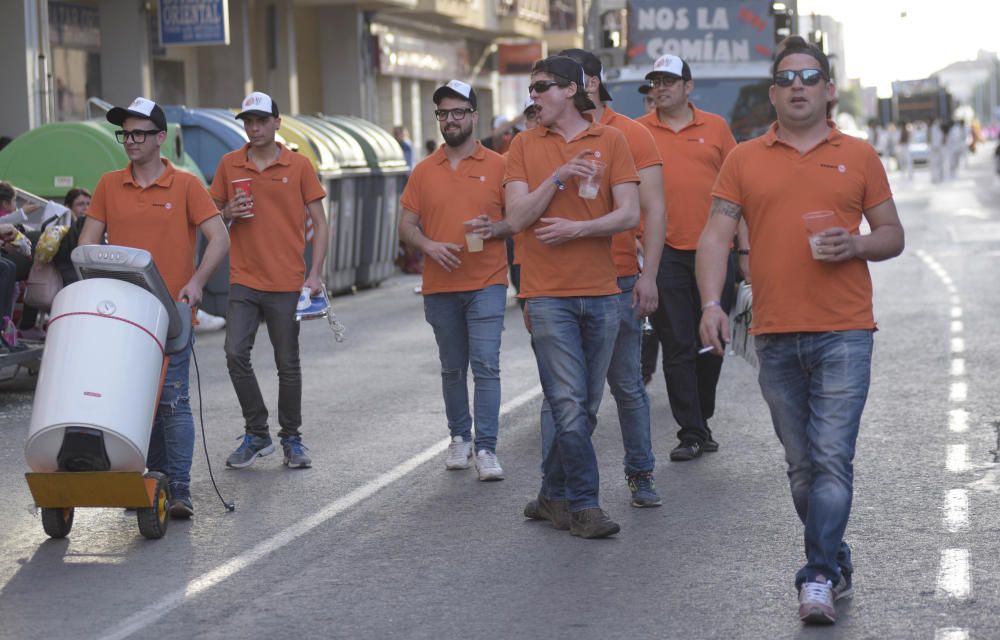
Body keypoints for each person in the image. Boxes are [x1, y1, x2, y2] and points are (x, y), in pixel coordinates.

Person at [696, 36, 904, 625]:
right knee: (801, 467)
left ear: (829, 88)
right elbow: (715, 235)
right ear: (773, 93)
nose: (798, 86)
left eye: (810, 76)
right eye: (787, 78)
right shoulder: (743, 158)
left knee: (832, 459)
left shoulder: (859, 154)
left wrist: (857, 243)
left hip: (845, 330)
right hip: (775, 332)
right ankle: (834, 556)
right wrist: (712, 302)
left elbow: (892, 233)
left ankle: (815, 575)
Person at [469, 55, 640, 538]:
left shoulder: (613, 140)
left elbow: (629, 214)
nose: (534, 96)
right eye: (532, 88)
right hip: (547, 296)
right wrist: (560, 174)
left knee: (583, 408)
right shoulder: (522, 145)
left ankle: (551, 493)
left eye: (542, 87)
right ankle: (585, 505)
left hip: (604, 294)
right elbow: (518, 216)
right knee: (566, 403)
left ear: (571, 90)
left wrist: (580, 228)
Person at [79, 97, 230, 518]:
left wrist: (196, 283)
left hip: (171, 312)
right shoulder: (109, 184)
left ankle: (179, 490)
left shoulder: (185, 185)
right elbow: (86, 244)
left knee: (172, 400)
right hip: (123, 314)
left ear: (160, 138)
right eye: (125, 133)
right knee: (136, 399)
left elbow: (219, 237)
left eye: (140, 133)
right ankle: (153, 479)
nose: (130, 141)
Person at [550, 47, 666, 507]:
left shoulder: (632, 135)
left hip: (617, 279)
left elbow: (654, 210)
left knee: (625, 385)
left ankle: (640, 473)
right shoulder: (543, 136)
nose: (544, 93)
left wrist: (649, 275)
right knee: (563, 395)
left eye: (555, 83)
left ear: (588, 84)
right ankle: (556, 490)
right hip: (559, 286)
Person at [210, 92, 329, 471]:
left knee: (287, 364)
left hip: (287, 281)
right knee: (233, 353)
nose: (255, 128)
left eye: (262, 120)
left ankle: (291, 438)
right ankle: (257, 432)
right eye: (248, 121)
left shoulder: (299, 165)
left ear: (277, 123)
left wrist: (315, 273)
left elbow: (321, 224)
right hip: (244, 279)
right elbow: (211, 216)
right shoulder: (230, 165)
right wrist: (227, 211)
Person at [398, 80, 508, 480]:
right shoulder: (425, 170)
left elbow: (519, 220)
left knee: (486, 364)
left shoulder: (499, 165)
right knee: (452, 368)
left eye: (458, 112)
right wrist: (429, 246)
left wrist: (497, 227)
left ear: (474, 117)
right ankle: (460, 437)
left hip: (487, 281)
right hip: (441, 285)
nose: (451, 120)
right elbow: (406, 225)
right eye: (443, 113)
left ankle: (487, 448)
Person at [636, 54, 738, 462]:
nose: (662, 88)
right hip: (665, 254)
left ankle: (702, 414)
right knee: (676, 342)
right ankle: (691, 431)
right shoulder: (638, 132)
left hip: (716, 251)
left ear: (688, 87)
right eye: (656, 82)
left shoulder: (715, 128)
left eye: (670, 82)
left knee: (709, 341)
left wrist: (744, 250)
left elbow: (737, 191)